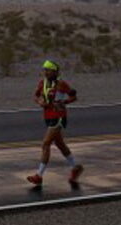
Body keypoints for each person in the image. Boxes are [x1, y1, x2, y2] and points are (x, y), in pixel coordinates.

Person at [27, 59, 83, 187]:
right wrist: (40, 102)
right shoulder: (42, 83)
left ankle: (39, 176)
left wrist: (64, 103)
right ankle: (75, 167)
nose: (45, 72)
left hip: (59, 117)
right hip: (47, 116)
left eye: (48, 70)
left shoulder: (61, 84)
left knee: (46, 143)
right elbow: (35, 96)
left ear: (54, 71)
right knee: (60, 144)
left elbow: (73, 96)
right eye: (44, 70)